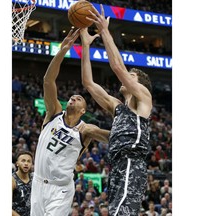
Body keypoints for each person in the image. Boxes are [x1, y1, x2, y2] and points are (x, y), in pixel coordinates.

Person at [80, 4, 153, 215]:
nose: (126, 76)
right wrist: (86, 45)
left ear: (140, 84)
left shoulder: (143, 98)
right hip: (117, 164)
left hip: (132, 161)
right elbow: (89, 83)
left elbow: (118, 67)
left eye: (131, 75)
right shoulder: (117, 107)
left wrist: (104, 31)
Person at [30, 28, 110, 216]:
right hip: (38, 184)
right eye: (72, 97)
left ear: (83, 110)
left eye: (79, 98)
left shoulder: (85, 130)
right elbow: (48, 81)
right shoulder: (53, 114)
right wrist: (63, 50)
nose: (74, 97)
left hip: (61, 190)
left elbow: (112, 137)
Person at [12, 151, 34, 216]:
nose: (26, 163)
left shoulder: (34, 178)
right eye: (23, 161)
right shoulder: (12, 179)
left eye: (28, 161)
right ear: (17, 163)